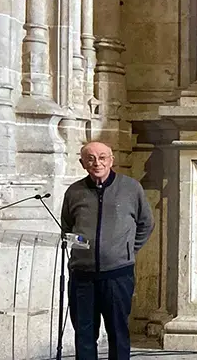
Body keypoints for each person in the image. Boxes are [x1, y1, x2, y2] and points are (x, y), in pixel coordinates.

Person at [61, 141, 154, 360]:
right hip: (82, 276)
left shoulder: (131, 188)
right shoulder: (74, 191)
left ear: (111, 160)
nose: (97, 163)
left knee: (118, 332)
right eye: (91, 158)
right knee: (84, 334)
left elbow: (146, 223)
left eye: (102, 157)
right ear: (82, 163)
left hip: (118, 275)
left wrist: (127, 249)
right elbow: (67, 227)